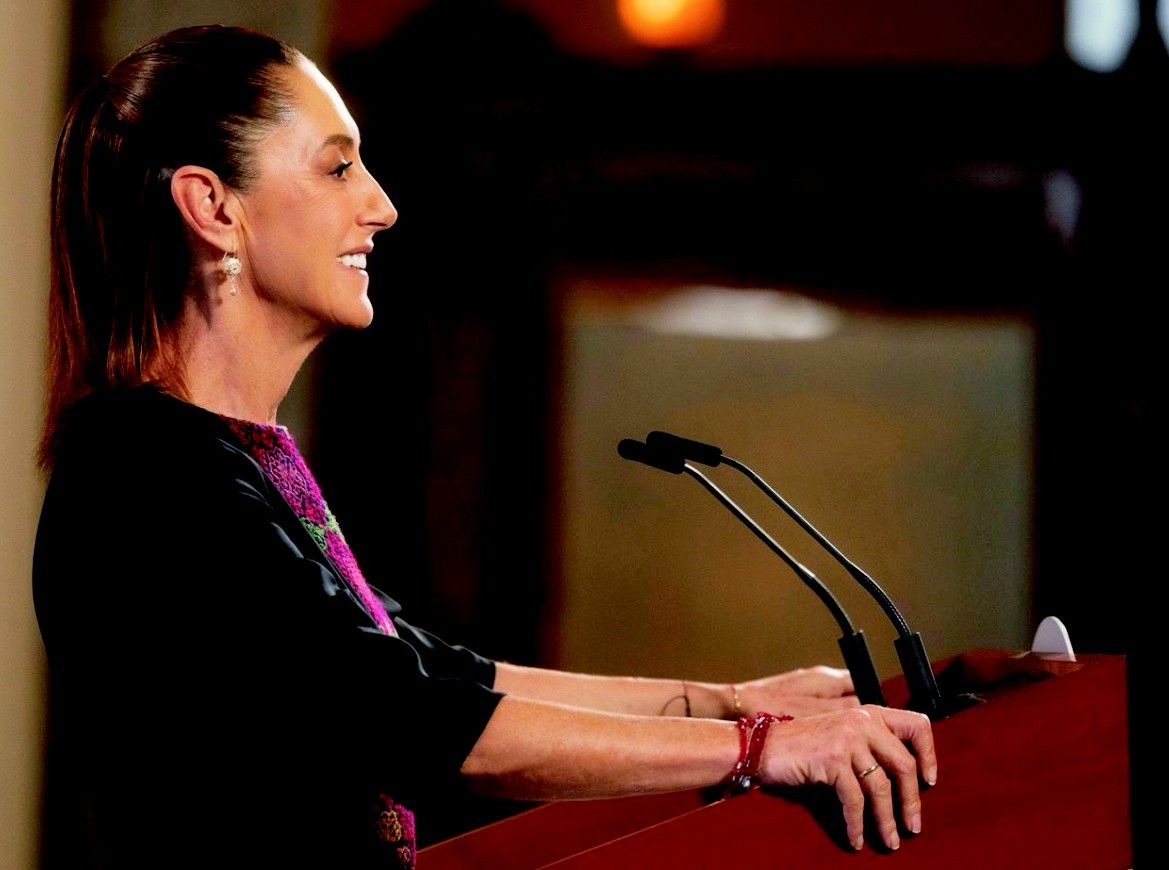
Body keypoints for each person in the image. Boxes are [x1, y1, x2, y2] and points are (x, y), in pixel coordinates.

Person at [32, 24, 937, 870]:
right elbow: (415, 720)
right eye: (338, 167)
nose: (381, 207)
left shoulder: (212, 457)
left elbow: (436, 674)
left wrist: (737, 702)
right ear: (212, 207)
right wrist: (757, 749)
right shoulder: (146, 472)